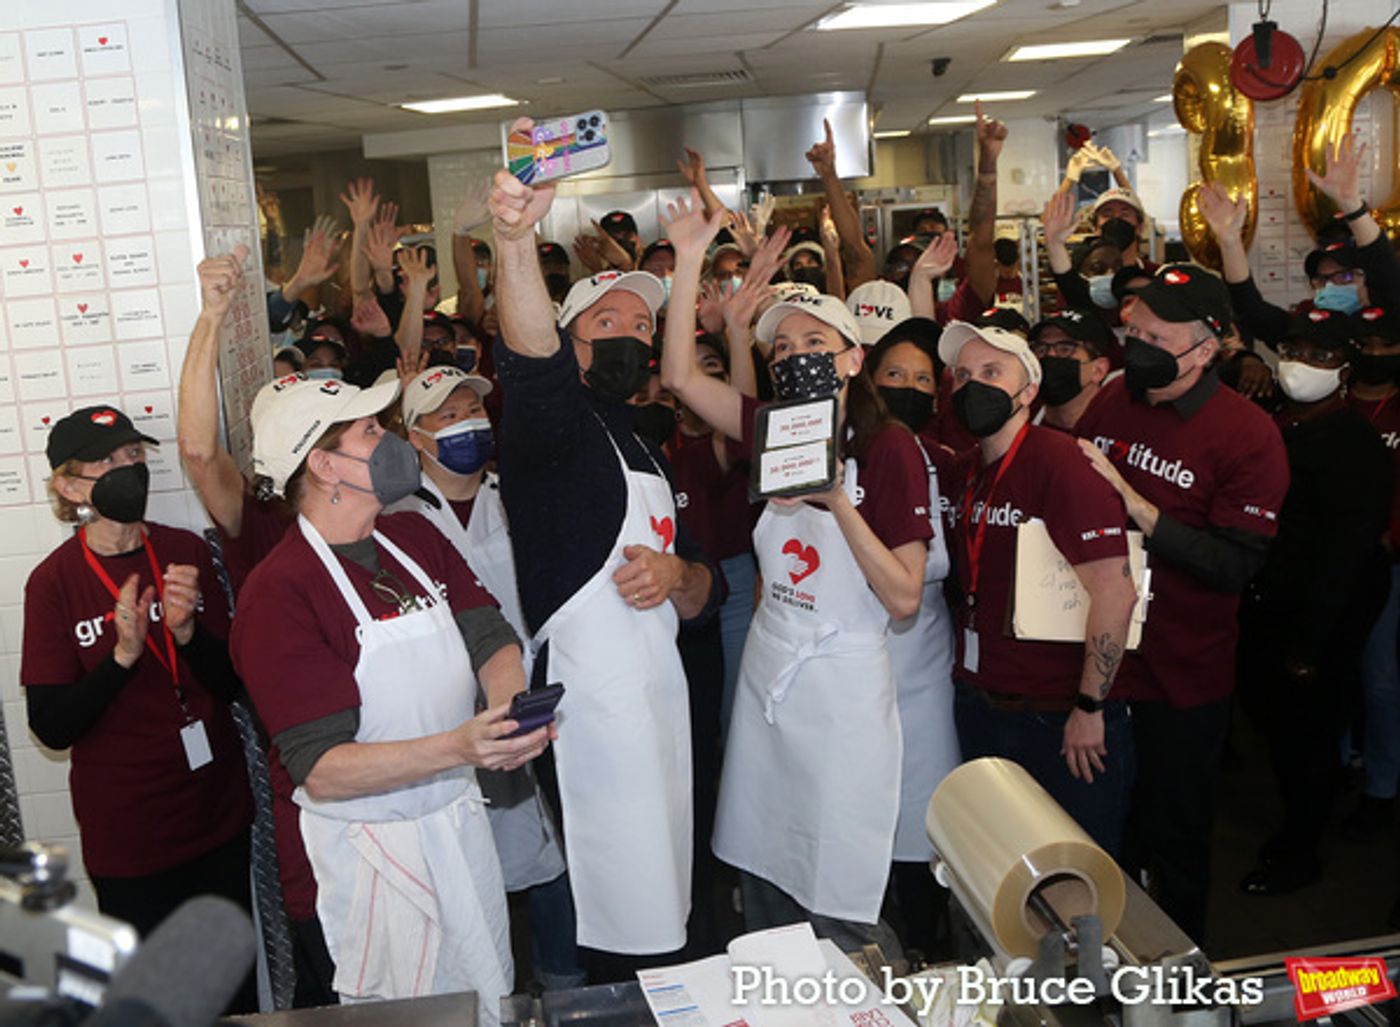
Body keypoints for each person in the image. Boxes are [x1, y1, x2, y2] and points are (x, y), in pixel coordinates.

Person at [659, 191, 930, 955]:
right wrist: (687, 260)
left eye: (815, 341)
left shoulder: (890, 449)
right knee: (764, 862)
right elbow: (680, 376)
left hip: (842, 689)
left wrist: (837, 499)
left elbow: (904, 595)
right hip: (772, 675)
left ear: (852, 357)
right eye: (782, 346)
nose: (795, 354)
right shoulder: (773, 428)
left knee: (837, 875)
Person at [230, 374, 551, 1013]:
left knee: (480, 1003)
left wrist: (508, 712)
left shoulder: (414, 539)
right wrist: (460, 746)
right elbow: (323, 769)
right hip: (360, 861)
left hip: (454, 831)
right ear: (324, 465)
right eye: (371, 431)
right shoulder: (279, 593)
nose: (392, 441)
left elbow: (490, 636)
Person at [488, 121, 720, 976]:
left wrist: (681, 575)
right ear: (573, 339)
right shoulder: (551, 428)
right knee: (613, 916)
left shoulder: (646, 439)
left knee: (671, 895)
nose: (630, 331)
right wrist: (516, 242)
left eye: (641, 322)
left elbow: (708, 592)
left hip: (659, 700)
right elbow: (530, 359)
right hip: (593, 714)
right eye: (608, 319)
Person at [1074, 264, 1290, 943]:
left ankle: (1181, 973)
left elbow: (1233, 565)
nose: (1137, 347)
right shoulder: (1115, 397)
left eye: (1157, 338)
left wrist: (1140, 509)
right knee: (1104, 834)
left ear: (1207, 347)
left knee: (1177, 837)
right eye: (1134, 332)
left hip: (1182, 675)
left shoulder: (1248, 434)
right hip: (1102, 663)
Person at [22, 407, 255, 1009]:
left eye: (134, 455)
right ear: (71, 487)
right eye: (109, 461)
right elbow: (51, 726)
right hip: (130, 837)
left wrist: (187, 635)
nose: (130, 469)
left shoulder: (183, 552)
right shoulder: (53, 583)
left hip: (216, 814)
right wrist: (121, 657)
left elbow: (231, 683)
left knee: (231, 992)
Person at [391, 365, 583, 990]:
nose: (466, 425)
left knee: (552, 845)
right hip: (449, 712)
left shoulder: (513, 495)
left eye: (473, 410)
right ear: (415, 436)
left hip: (534, 690)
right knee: (467, 861)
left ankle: (561, 980)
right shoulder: (398, 517)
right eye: (447, 416)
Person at [940, 322, 1137, 853]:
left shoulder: (1062, 462)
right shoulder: (963, 472)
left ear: (1028, 391)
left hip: (1058, 716)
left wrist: (1090, 707)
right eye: (963, 375)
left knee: (1076, 869)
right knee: (998, 865)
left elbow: (1115, 591)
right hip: (981, 705)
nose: (973, 385)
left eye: (991, 372)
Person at [1234, 310, 1392, 895]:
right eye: (1294, 351)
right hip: (1268, 602)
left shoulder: (1355, 445)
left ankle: (1301, 853)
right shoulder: (1275, 422)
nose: (1302, 365)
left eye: (1320, 356)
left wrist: (1310, 645)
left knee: (1310, 739)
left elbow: (1345, 557)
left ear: (1345, 370)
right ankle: (1295, 830)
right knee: (1279, 731)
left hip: (1319, 619)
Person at [863, 324, 959, 952]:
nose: (909, 388)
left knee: (924, 811)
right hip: (860, 663)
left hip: (923, 665)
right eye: (895, 375)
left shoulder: (944, 460)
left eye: (924, 380)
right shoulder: (848, 456)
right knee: (864, 809)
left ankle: (929, 945)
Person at [1031, 310, 1114, 432]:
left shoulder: (1120, 430)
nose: (1050, 355)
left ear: (1098, 370)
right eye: (1041, 349)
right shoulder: (1018, 424)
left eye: (1065, 349)